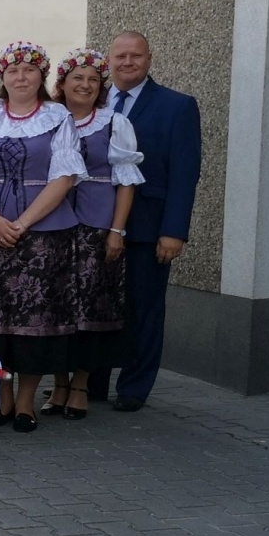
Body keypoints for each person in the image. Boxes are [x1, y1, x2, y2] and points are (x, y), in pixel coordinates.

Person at [0, 42, 85, 432]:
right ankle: (3, 398)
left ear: (41, 77)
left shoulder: (58, 117)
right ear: (3, 78)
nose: (21, 77)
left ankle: (26, 402)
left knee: (34, 319)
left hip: (44, 232)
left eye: (29, 71)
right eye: (13, 71)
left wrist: (23, 222)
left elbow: (63, 177)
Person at [87, 31, 201, 412]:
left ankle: (135, 387)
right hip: (96, 224)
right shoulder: (93, 103)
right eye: (120, 56)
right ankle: (94, 383)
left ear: (149, 59)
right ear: (109, 60)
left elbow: (185, 173)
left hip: (150, 226)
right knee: (99, 306)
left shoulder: (177, 106)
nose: (128, 62)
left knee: (144, 307)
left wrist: (174, 231)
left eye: (136, 56)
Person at [41, 48, 143, 420]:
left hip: (97, 224)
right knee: (56, 305)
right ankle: (60, 381)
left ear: (100, 86)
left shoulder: (113, 123)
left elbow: (127, 181)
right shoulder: (48, 118)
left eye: (92, 79)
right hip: (54, 221)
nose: (84, 85)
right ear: (62, 84)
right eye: (76, 78)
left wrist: (117, 229)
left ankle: (81, 383)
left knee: (92, 305)